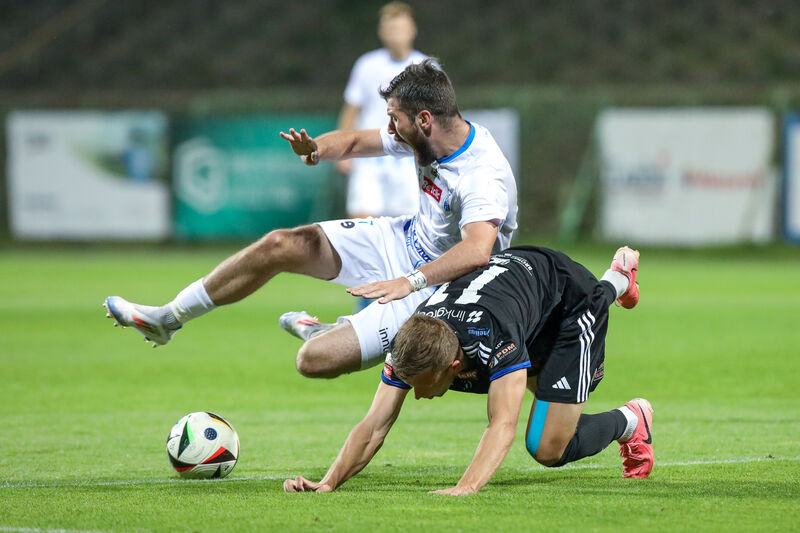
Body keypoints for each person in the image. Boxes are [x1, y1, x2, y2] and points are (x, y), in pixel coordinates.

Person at [104, 59, 518, 380]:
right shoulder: (426, 131)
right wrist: (315, 149)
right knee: (280, 244)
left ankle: (331, 333)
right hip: (401, 238)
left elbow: (478, 251)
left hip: (438, 285)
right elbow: (355, 140)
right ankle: (167, 319)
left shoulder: (482, 174)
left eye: (395, 118)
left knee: (313, 361)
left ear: (425, 119)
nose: (391, 127)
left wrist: (409, 281)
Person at [283, 245, 653, 495]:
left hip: (568, 306)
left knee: (548, 447)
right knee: (544, 408)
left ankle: (616, 286)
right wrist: (328, 483)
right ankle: (617, 282)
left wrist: (467, 487)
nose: (416, 395)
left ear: (453, 365)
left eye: (423, 386)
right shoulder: (411, 341)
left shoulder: (495, 337)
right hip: (521, 296)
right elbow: (375, 424)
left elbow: (502, 423)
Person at [338, 2, 427, 220]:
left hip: (408, 158)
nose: (395, 35)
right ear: (381, 32)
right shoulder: (366, 64)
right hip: (370, 156)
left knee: (409, 224)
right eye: (390, 29)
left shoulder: (426, 67)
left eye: (400, 28)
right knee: (362, 224)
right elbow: (351, 109)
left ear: (412, 30)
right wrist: (344, 152)